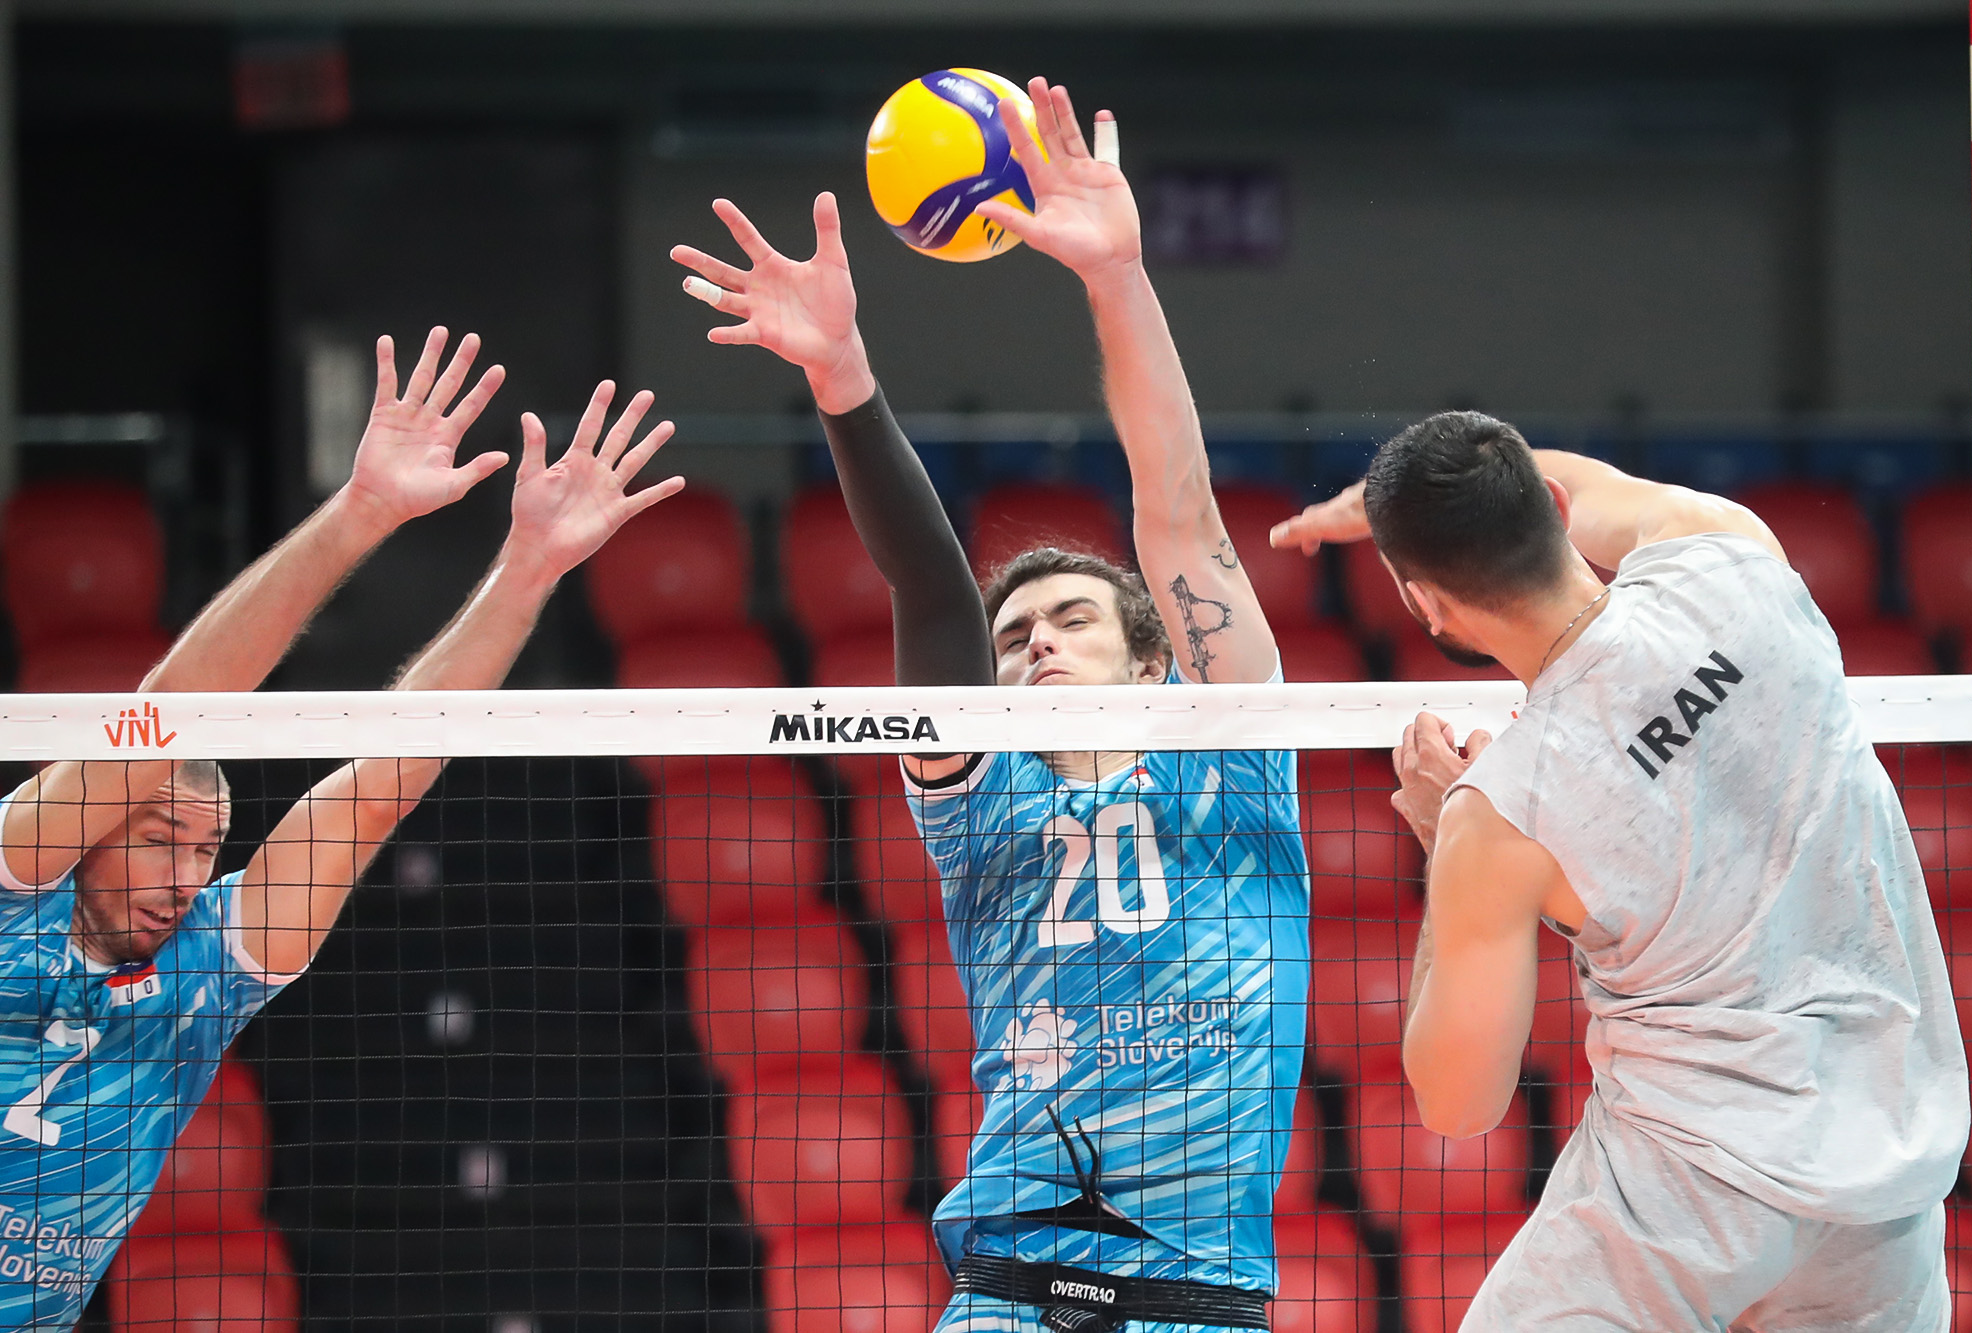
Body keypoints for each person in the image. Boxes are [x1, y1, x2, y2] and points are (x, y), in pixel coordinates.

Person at [672, 76, 1309, 1333]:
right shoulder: (977, 804)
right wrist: (842, 375)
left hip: (1199, 1299)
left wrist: (1115, 276)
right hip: (1010, 1296)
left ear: (1151, 664)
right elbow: (927, 582)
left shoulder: (1228, 754)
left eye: (1071, 619)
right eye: (1013, 638)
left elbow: (1179, 513)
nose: (1036, 644)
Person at [0, 328, 683, 1325]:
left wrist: (529, 566)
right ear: (92, 830)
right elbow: (175, 705)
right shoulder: (15, 881)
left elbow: (376, 789)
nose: (186, 873)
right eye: (159, 837)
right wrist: (362, 513)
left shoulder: (209, 964)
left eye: (204, 848)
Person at [1271, 412, 1968, 1329]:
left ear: (1424, 605)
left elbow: (1456, 1104)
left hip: (1683, 1197)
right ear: (1554, 509)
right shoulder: (1729, 554)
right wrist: (1405, 498)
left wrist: (1447, 844)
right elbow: (1584, 482)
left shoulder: (1507, 807)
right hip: (1884, 1166)